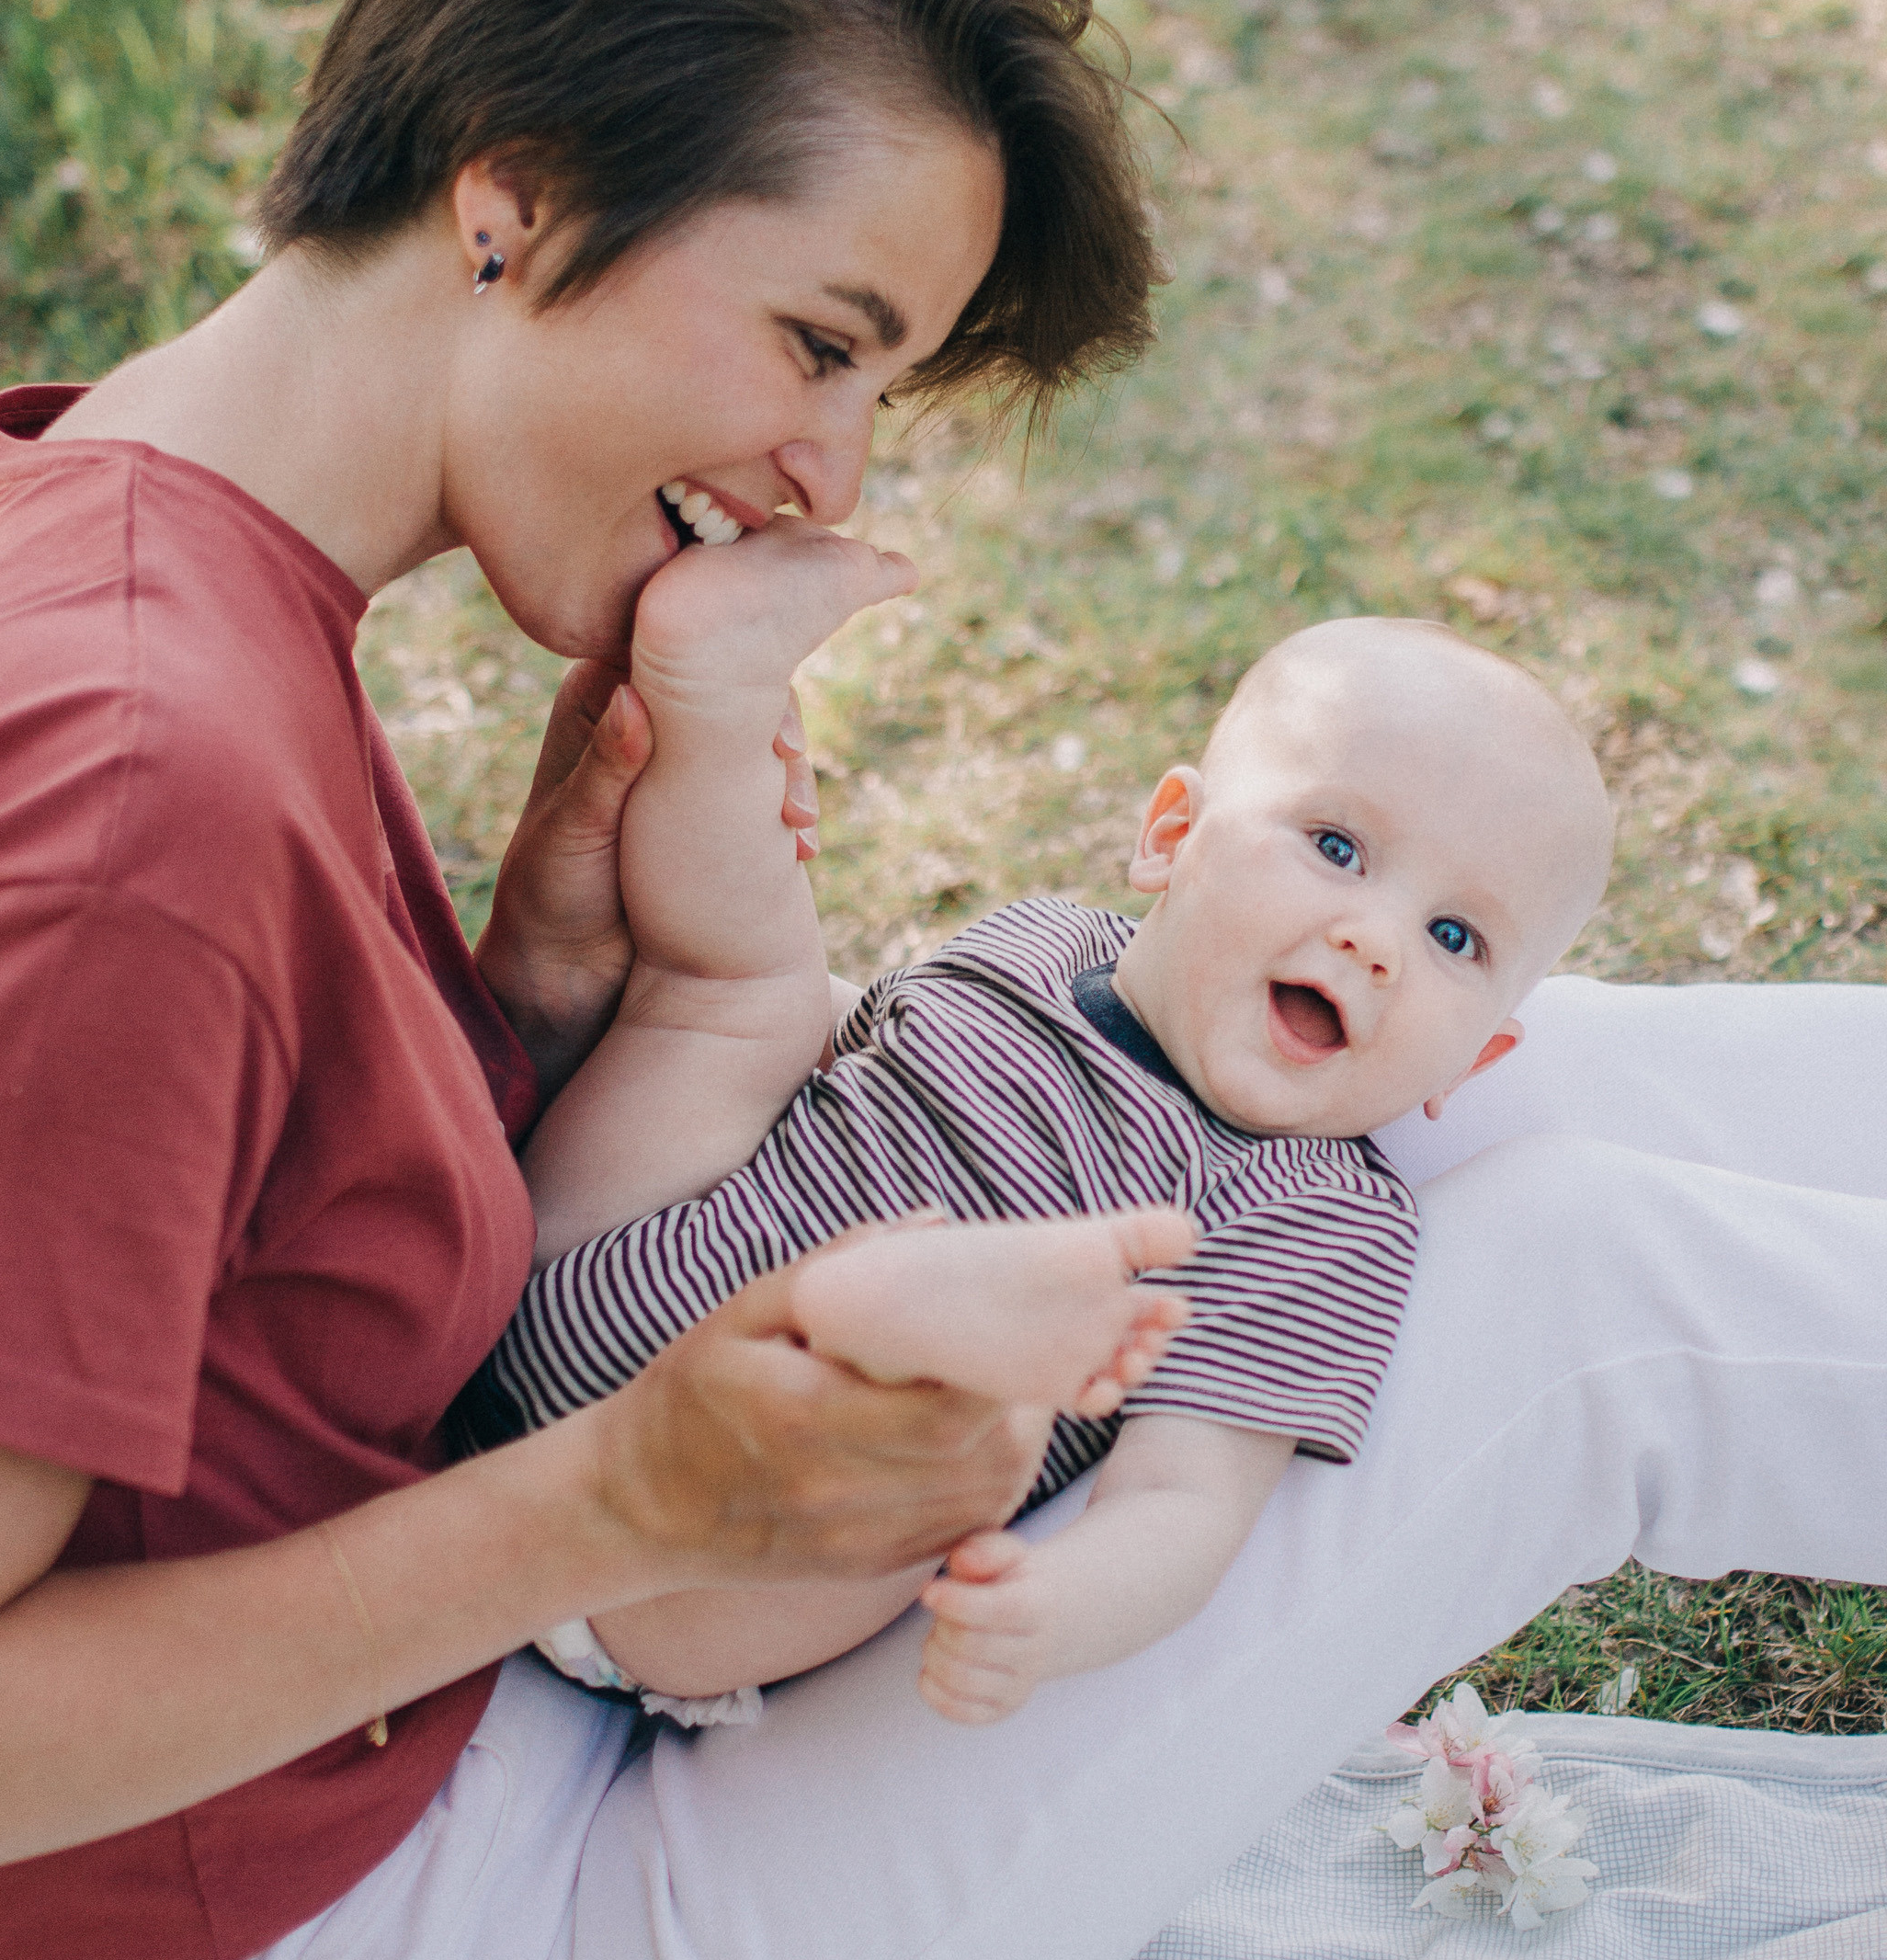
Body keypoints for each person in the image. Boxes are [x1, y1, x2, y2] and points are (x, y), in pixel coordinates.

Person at [0, 0, 1887, 1960]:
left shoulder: (156, 549)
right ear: (514, 188)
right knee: (1571, 1299)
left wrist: (552, 975)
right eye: (822, 340)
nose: (824, 466)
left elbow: (225, 1251)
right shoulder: (140, 778)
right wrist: (616, 1498)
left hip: (449, 1778)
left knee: (1487, 1085)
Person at [466, 583, 1613, 1731]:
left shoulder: (1315, 1216)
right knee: (744, 990)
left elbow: (1183, 1498)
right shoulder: (1039, 941)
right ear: (1172, 837)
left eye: (1453, 937)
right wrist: (742, 935)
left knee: (975, 1429)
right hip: (563, 1293)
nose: (1376, 941)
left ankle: (894, 1319)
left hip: (701, 1563)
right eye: (1335, 845)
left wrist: (1057, 1604)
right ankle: (714, 718)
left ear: (1478, 1054)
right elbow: (846, 1046)